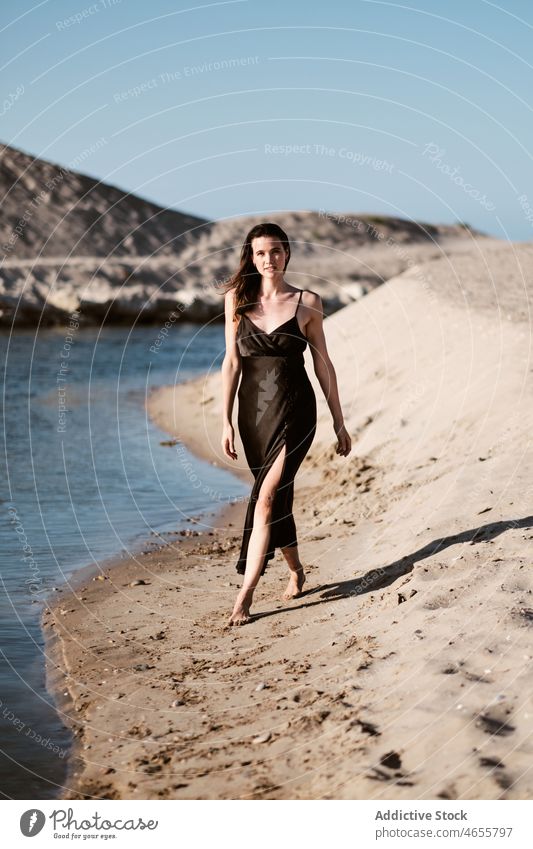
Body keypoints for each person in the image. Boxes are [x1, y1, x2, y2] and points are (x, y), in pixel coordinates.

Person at [221, 222, 351, 625]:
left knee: (265, 497)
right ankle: (295, 569)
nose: (269, 259)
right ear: (251, 257)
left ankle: (245, 597)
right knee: (276, 497)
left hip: (296, 410)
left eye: (276, 251)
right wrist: (225, 421)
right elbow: (232, 362)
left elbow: (322, 363)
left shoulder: (308, 301)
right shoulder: (236, 300)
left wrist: (339, 421)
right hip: (252, 414)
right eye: (261, 253)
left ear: (287, 254)